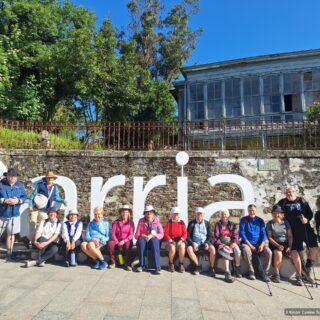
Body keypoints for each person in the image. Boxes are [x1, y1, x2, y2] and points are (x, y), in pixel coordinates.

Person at [277, 186, 319, 283]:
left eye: (290, 192)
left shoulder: (302, 200)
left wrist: (306, 219)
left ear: (295, 192)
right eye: (286, 192)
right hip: (292, 231)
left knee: (314, 247)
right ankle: (301, 274)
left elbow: (310, 213)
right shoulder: (282, 202)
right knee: (296, 250)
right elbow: (277, 213)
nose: (288, 193)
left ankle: (308, 267)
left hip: (305, 228)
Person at [28, 170, 66, 244]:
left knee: (41, 226)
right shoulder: (40, 185)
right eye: (49, 178)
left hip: (45, 209)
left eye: (52, 178)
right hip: (35, 208)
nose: (50, 179)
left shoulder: (55, 188)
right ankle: (31, 241)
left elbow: (57, 197)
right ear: (46, 178)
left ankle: (34, 241)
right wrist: (30, 205)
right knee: (32, 224)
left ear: (53, 179)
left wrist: (63, 201)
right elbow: (33, 195)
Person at [239, 204, 272, 281]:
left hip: (259, 244)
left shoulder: (260, 220)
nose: (251, 211)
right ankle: (251, 271)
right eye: (250, 210)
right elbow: (242, 234)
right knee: (247, 251)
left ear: (256, 211)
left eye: (253, 210)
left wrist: (262, 244)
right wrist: (250, 245)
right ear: (248, 211)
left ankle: (264, 272)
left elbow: (263, 234)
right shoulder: (243, 220)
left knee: (269, 252)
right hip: (247, 243)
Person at [0, 168, 27, 259]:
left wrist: (18, 200)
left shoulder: (20, 185)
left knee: (11, 233)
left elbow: (24, 197)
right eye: (11, 175)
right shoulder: (1, 184)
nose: (13, 177)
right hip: (1, 214)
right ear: (7, 175)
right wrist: (3, 200)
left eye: (15, 176)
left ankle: (9, 252)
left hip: (14, 214)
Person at [266, 204, 295, 284]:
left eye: (278, 213)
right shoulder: (270, 224)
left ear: (281, 214)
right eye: (275, 213)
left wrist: (289, 246)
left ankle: (300, 275)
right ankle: (277, 274)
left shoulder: (286, 223)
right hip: (275, 243)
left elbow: (290, 236)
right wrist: (278, 245)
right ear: (272, 214)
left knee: (295, 253)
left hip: (286, 243)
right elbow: (269, 237)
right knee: (278, 253)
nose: (277, 215)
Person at [214, 208, 242, 283]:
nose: (224, 216)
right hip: (222, 243)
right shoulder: (218, 224)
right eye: (222, 214)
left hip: (231, 242)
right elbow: (216, 236)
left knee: (238, 251)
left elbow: (236, 235)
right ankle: (227, 272)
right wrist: (220, 244)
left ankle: (237, 268)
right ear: (220, 216)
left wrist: (234, 242)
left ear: (228, 215)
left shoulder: (232, 224)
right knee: (226, 253)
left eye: (225, 214)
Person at [186, 207, 216, 276]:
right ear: (195, 214)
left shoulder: (207, 223)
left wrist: (207, 243)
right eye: (198, 214)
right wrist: (192, 243)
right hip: (195, 243)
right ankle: (198, 266)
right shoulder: (191, 223)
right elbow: (187, 236)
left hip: (204, 242)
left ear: (203, 215)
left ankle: (211, 268)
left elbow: (210, 235)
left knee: (213, 249)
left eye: (201, 214)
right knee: (189, 249)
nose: (199, 215)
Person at [134, 205, 164, 274]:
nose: (149, 214)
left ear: (153, 213)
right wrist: (143, 236)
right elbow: (136, 235)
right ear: (144, 213)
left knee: (155, 240)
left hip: (153, 241)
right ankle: (142, 265)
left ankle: (157, 267)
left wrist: (153, 235)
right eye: (147, 212)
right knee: (141, 240)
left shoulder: (157, 221)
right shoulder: (141, 221)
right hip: (144, 241)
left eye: (150, 212)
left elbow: (161, 234)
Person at [108, 205, 134, 271]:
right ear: (121, 213)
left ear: (129, 213)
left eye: (126, 212)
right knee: (110, 244)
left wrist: (124, 241)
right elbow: (113, 234)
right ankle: (113, 262)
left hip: (126, 240)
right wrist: (117, 242)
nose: (125, 213)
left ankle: (128, 264)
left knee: (127, 244)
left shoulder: (131, 223)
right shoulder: (116, 222)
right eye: (123, 212)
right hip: (117, 240)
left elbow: (131, 235)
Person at [164, 207, 187, 273]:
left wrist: (182, 240)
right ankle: (171, 263)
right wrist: (171, 241)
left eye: (177, 214)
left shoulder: (182, 223)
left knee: (182, 246)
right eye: (175, 214)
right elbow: (166, 234)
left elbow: (185, 233)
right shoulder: (169, 223)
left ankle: (181, 264)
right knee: (172, 247)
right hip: (171, 240)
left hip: (180, 240)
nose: (176, 215)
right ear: (172, 214)